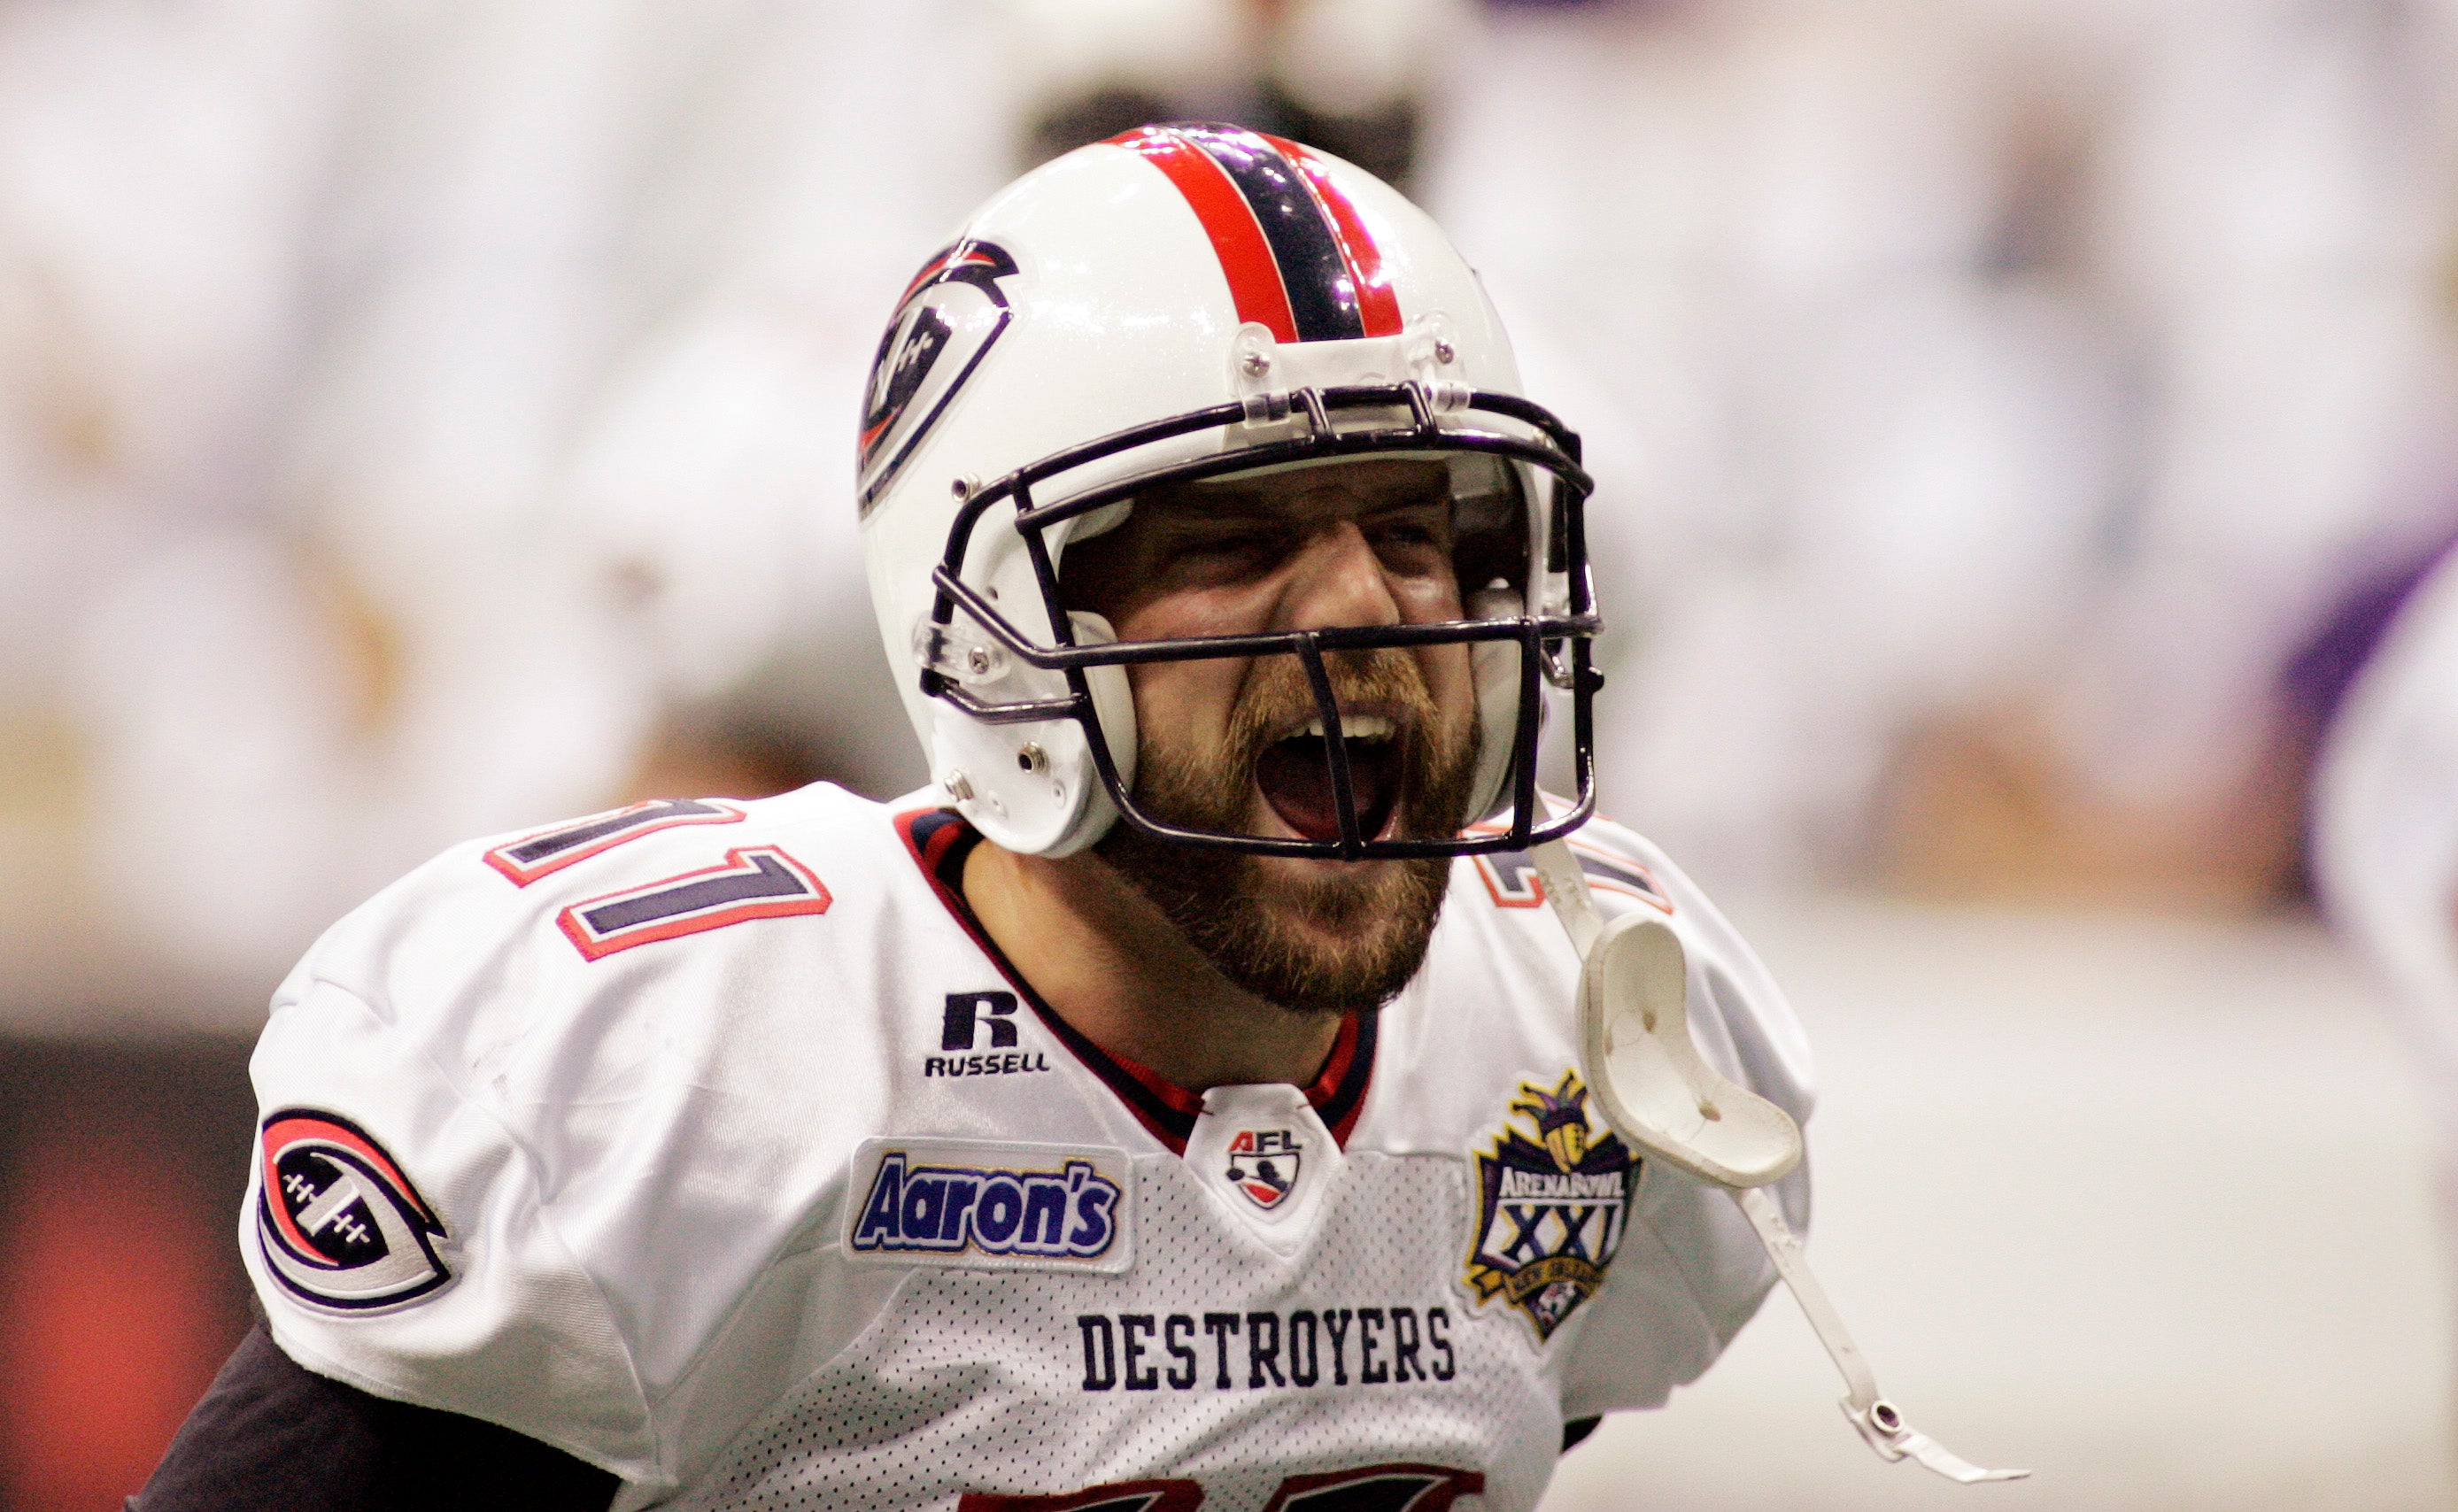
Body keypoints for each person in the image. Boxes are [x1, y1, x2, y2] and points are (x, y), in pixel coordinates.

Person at [135, 125, 1813, 1511]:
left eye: (1415, 526)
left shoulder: (1588, 1031)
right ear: (1002, 630)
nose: (1365, 608)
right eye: (1234, 537)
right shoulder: (693, 1070)